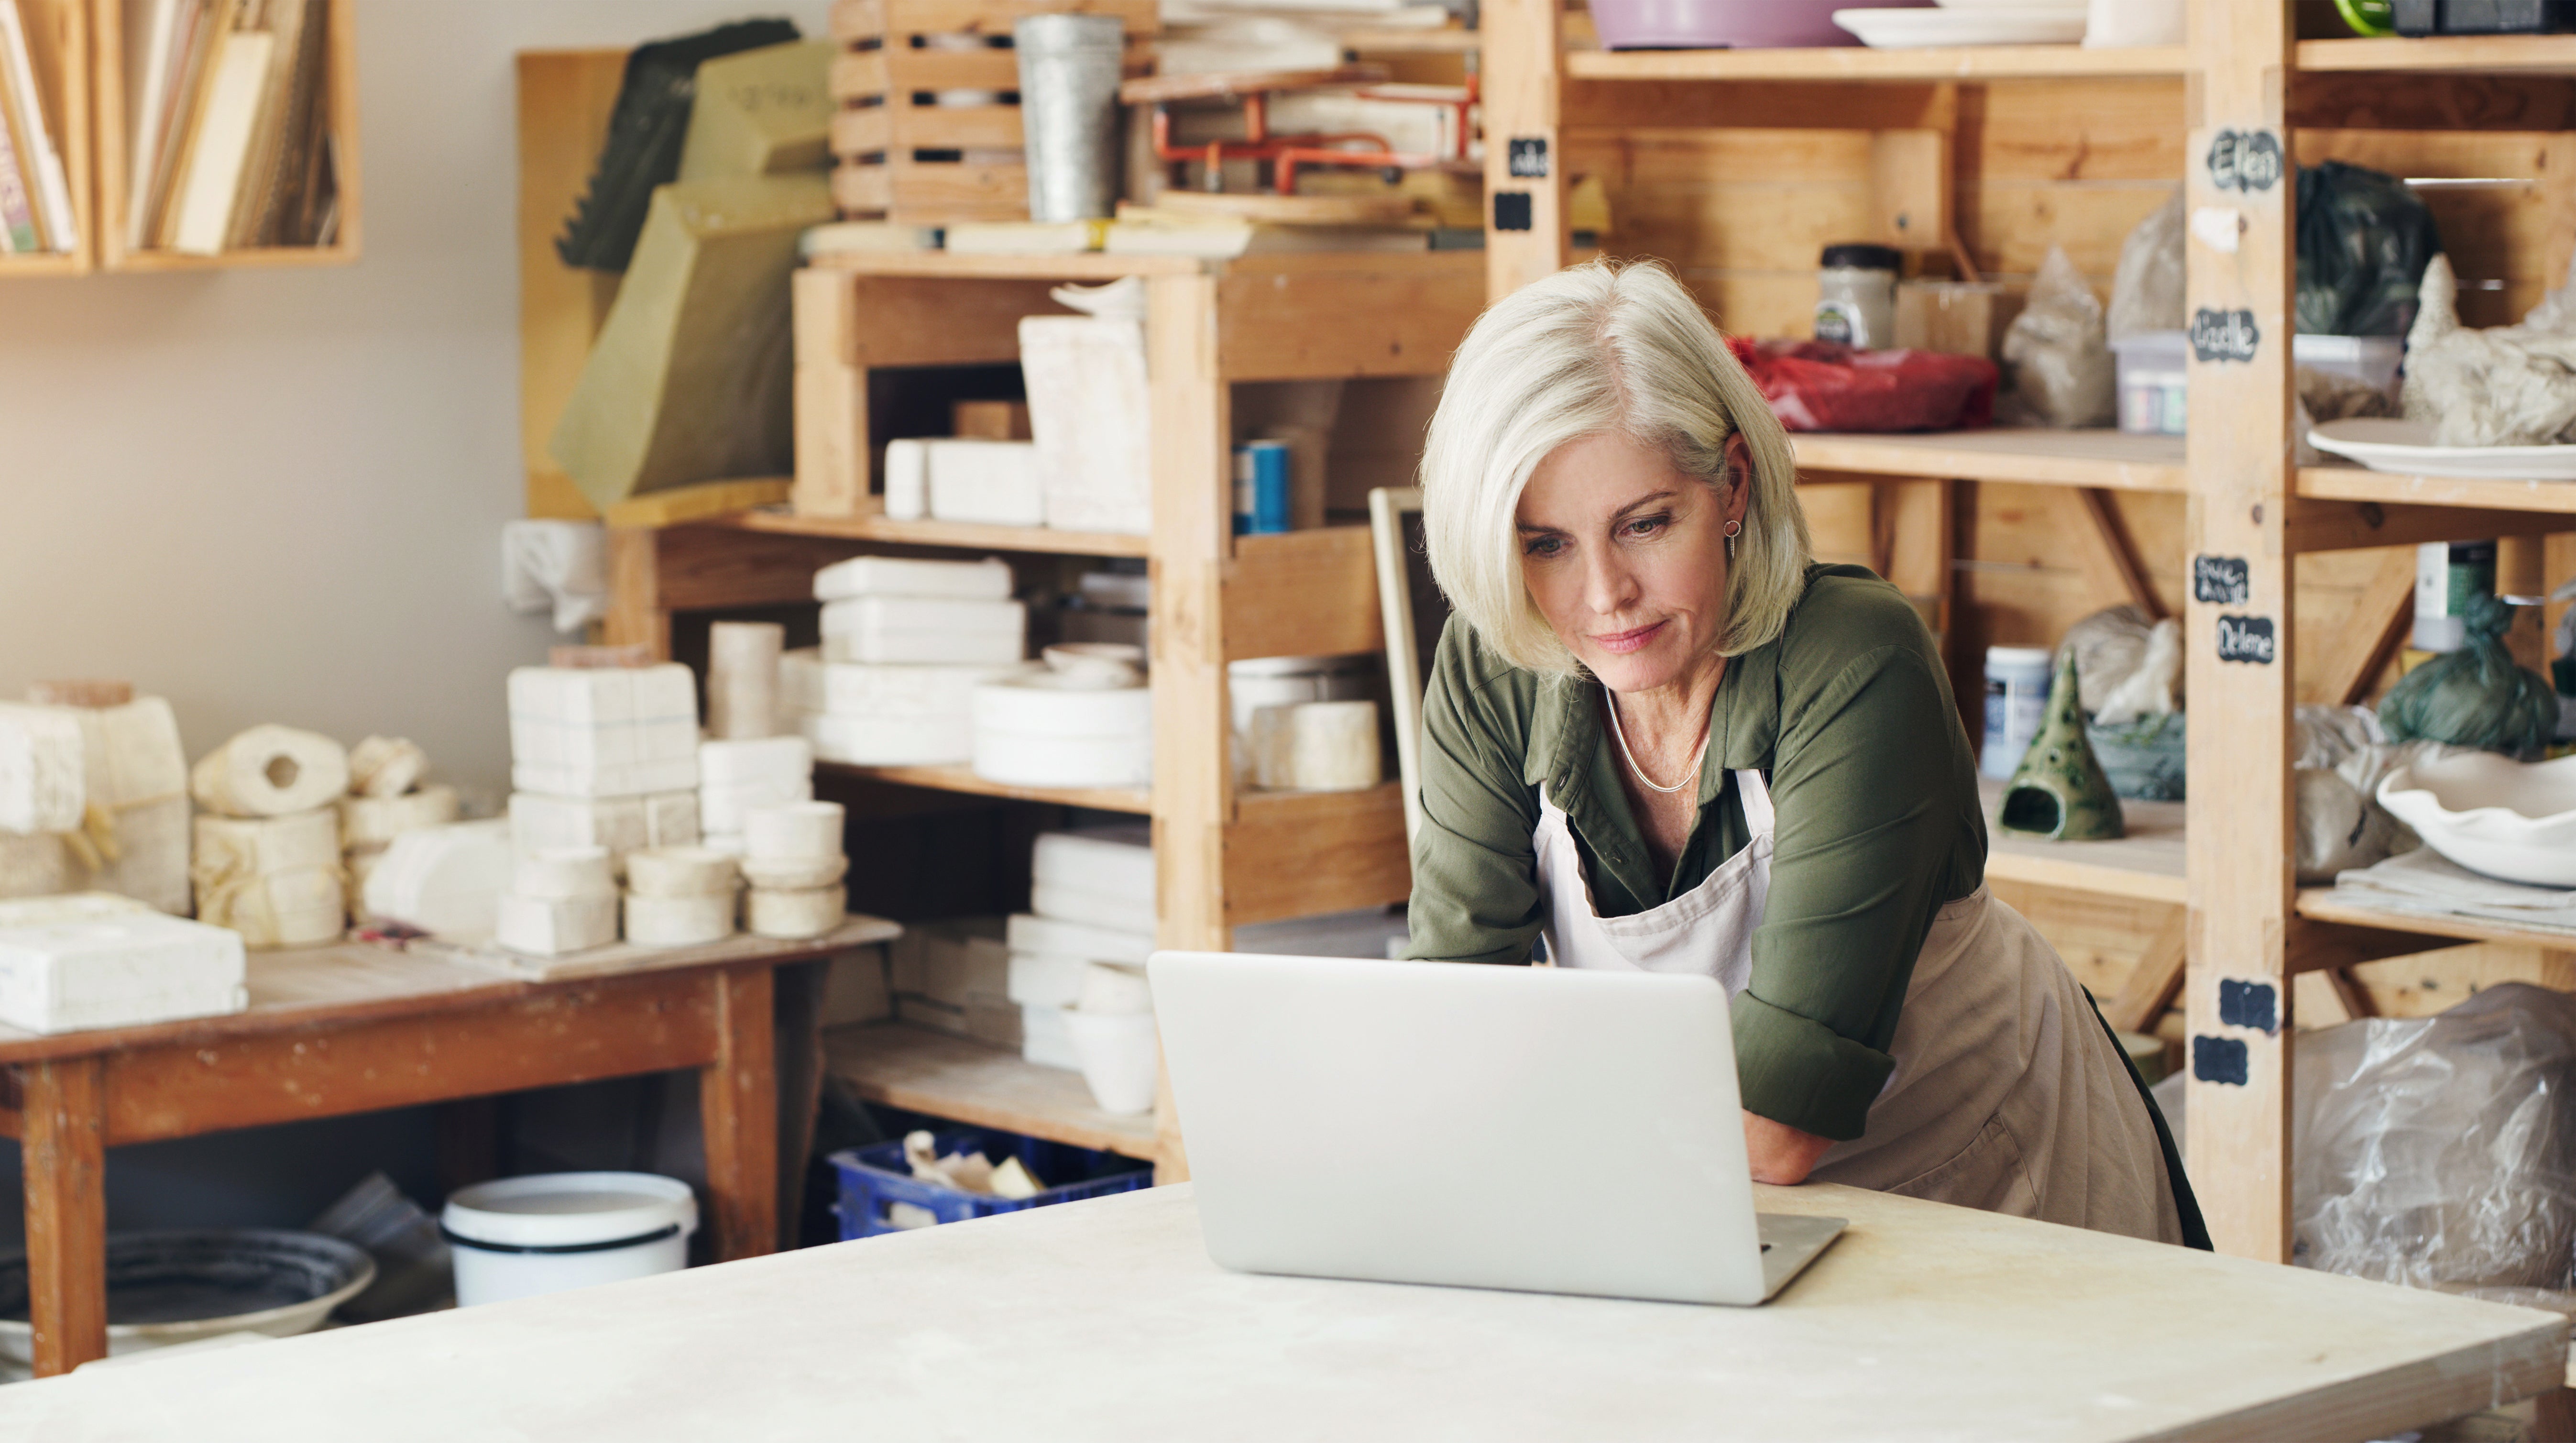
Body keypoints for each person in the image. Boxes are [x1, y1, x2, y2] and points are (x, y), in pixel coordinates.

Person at [1401, 258, 2204, 1246]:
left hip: (1991, 1186)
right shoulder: (1496, 670)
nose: (1604, 594)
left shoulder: (1856, 662)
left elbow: (1779, 1126)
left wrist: (1518, 1116)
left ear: (1731, 486)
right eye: (1546, 545)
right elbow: (1453, 1019)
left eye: (1645, 525)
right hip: (1705, 1207)